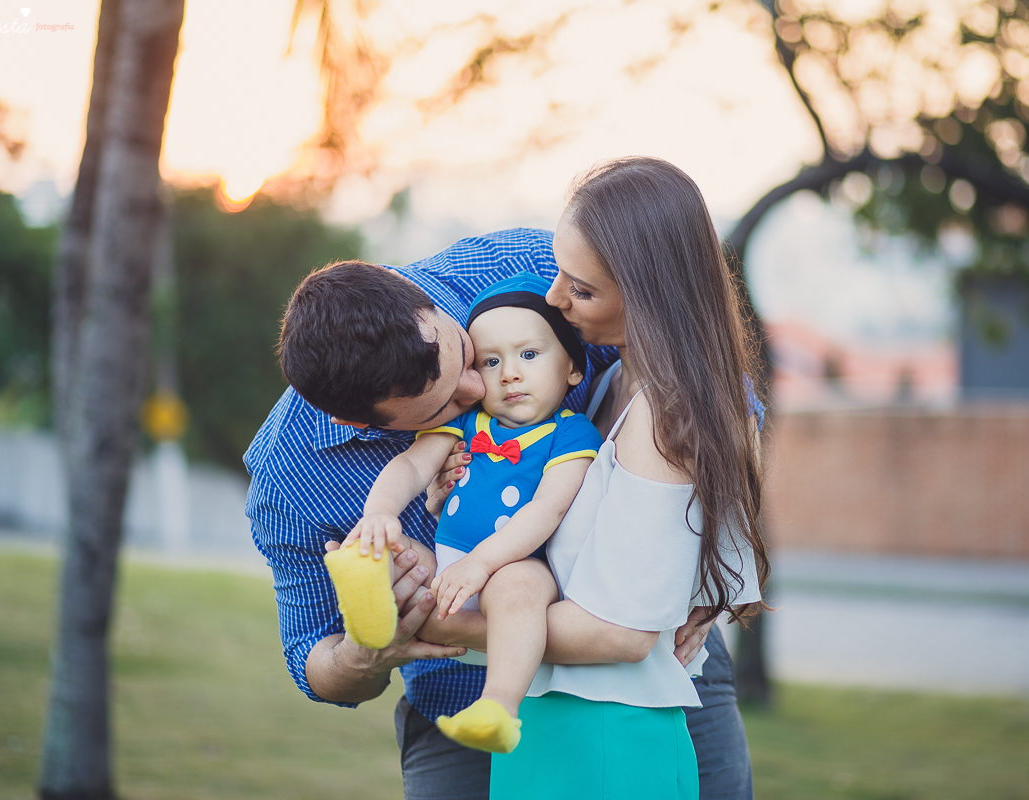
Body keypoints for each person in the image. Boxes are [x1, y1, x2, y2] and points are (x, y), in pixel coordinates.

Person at [244, 228, 761, 800]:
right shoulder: (287, 480)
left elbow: (713, 390)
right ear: (359, 423)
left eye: (468, 354)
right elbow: (313, 660)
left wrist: (712, 576)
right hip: (460, 700)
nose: (483, 387)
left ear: (414, 292)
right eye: (444, 406)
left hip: (653, 663)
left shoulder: (539, 267)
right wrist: (366, 651)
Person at [485, 156, 770, 799]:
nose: (554, 299)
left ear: (648, 297)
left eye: (580, 289)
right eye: (561, 271)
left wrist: (443, 620)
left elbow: (621, 632)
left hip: (605, 740)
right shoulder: (614, 382)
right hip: (551, 724)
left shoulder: (664, 414)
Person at [329, 272, 603, 754]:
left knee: (520, 587)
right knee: (393, 550)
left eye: (530, 355)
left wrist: (481, 564)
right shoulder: (466, 423)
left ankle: (497, 706)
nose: (509, 373)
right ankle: (370, 609)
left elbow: (546, 510)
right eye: (492, 360)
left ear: (573, 369)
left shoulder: (572, 434)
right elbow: (411, 465)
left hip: (517, 564)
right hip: (447, 566)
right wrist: (381, 513)